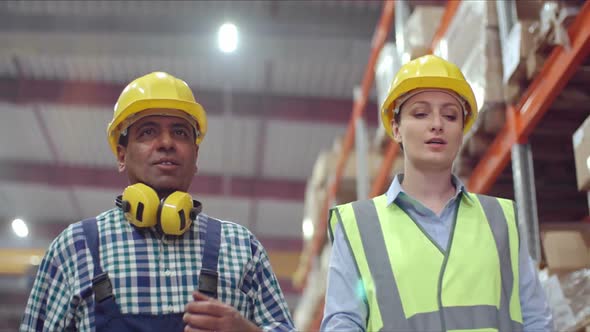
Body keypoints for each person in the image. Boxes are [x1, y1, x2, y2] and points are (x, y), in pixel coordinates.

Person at [20, 72, 295, 332]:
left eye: (180, 132)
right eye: (148, 132)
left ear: (195, 156)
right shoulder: (75, 248)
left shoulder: (240, 248)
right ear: (121, 154)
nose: (166, 143)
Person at [320, 55, 553, 331]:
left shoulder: (499, 220)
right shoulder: (359, 226)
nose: (437, 124)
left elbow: (537, 319)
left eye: (450, 115)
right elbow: (342, 324)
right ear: (396, 129)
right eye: (420, 113)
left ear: (461, 130)